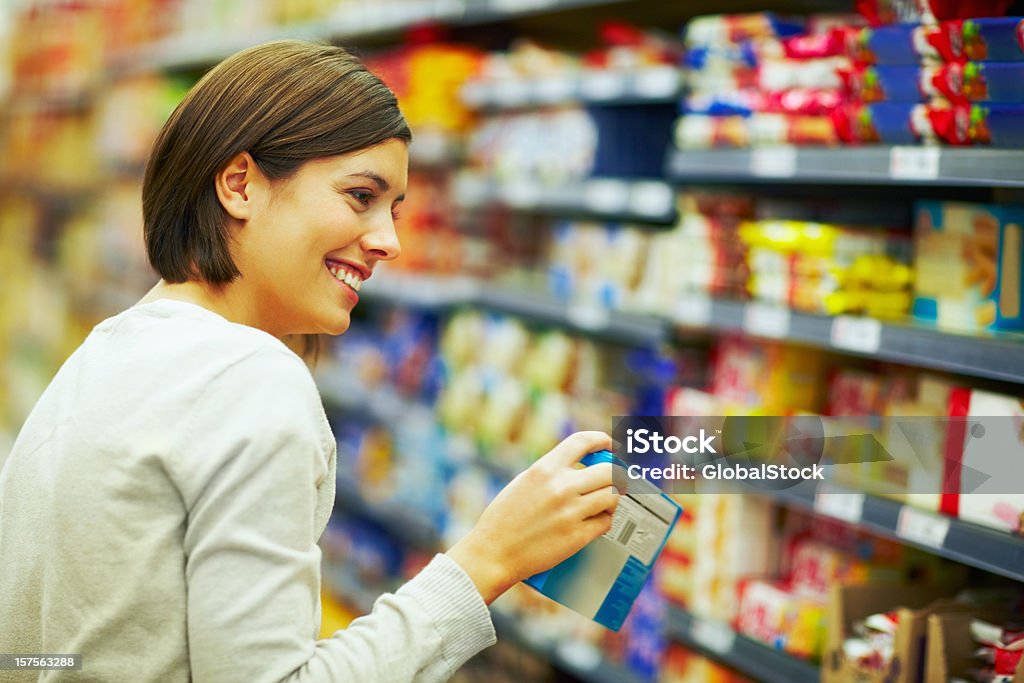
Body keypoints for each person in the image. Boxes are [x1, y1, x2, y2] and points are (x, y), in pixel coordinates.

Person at [0, 40, 619, 682]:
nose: (389, 242)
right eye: (360, 196)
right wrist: (489, 558)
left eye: (396, 210)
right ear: (240, 185)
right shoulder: (247, 378)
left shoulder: (103, 355)